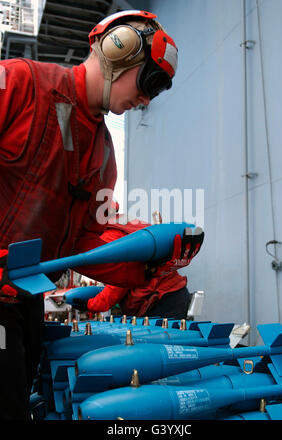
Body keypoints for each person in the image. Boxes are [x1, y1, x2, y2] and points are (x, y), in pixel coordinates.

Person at [0, 9, 201, 420]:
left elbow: (89, 237)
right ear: (118, 49)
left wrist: (149, 256)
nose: (146, 100)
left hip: (27, 298)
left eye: (156, 93)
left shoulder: (104, 154)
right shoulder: (18, 83)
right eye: (149, 84)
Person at [72, 217, 204, 319]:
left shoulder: (108, 236)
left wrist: (90, 305)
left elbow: (121, 280)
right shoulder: (126, 225)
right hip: (170, 294)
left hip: (160, 300)